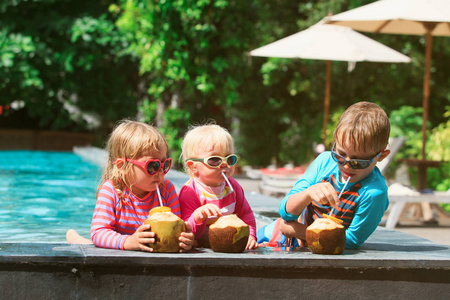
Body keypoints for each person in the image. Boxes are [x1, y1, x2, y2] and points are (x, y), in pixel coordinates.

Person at [257, 101, 391, 249]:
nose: (346, 165)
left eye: (358, 162)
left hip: (310, 252)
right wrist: (308, 193)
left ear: (381, 155)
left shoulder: (373, 193)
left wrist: (300, 231)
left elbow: (351, 241)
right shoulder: (324, 162)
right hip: (273, 235)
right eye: (340, 154)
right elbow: (286, 212)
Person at [66, 120, 195, 252]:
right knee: (92, 248)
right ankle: (77, 241)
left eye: (164, 164)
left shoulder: (167, 190)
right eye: (153, 166)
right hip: (119, 253)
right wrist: (129, 242)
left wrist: (184, 239)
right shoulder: (111, 190)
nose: (161, 171)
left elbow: (177, 227)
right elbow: (98, 233)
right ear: (123, 167)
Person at [179, 124, 258, 250]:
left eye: (229, 158)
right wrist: (198, 216)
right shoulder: (191, 191)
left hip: (230, 244)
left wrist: (251, 236)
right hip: (202, 250)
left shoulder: (233, 187)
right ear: (193, 167)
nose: (225, 164)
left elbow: (246, 214)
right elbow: (185, 230)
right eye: (214, 160)